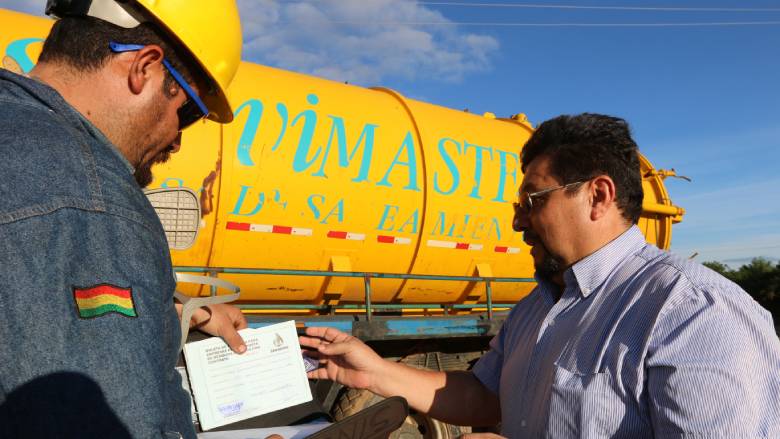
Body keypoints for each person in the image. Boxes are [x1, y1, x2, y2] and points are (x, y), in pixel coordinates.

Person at [300, 113, 780, 438]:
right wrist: (375, 371)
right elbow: (488, 398)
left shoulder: (692, 312)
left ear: (598, 196)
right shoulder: (537, 308)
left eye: (533, 201)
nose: (517, 222)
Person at [0, 0, 246, 437]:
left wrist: (189, 312)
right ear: (145, 68)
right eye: (188, 113)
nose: (176, 141)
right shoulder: (94, 200)